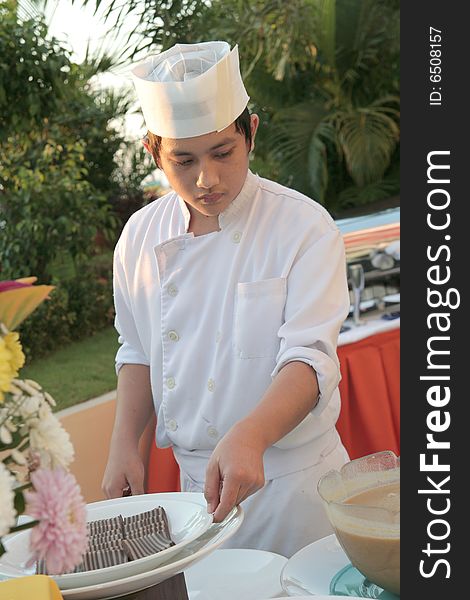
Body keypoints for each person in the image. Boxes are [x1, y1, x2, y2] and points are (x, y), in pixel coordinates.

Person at [102, 41, 350, 557]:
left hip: (295, 491)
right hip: (197, 499)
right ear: (153, 151)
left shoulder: (302, 226)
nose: (206, 179)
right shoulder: (139, 237)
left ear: (250, 133)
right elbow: (138, 350)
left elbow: (309, 358)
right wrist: (125, 446)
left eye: (222, 153)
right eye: (183, 160)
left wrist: (253, 433)